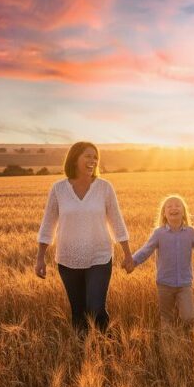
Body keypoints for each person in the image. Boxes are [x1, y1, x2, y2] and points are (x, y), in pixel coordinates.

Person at [35, 141, 133, 333]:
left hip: (99, 256)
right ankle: (83, 348)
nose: (93, 161)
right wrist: (40, 258)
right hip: (68, 259)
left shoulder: (104, 187)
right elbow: (48, 224)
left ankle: (105, 346)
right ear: (74, 158)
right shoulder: (58, 189)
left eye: (95, 157)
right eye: (88, 156)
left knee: (96, 309)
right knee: (78, 314)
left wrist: (128, 254)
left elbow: (117, 221)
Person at [127, 195, 194, 328]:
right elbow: (146, 250)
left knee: (189, 318)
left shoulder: (190, 232)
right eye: (169, 206)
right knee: (166, 318)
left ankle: (186, 339)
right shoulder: (159, 233)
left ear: (184, 212)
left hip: (184, 284)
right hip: (164, 283)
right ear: (164, 213)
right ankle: (168, 340)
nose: (173, 208)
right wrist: (133, 261)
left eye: (177, 205)